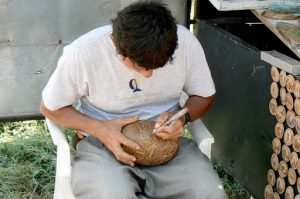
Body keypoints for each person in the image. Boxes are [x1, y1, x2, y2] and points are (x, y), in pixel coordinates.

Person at [40, 1, 227, 198]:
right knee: (111, 194)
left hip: (166, 143)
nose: (147, 76)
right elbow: (50, 107)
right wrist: (99, 129)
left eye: (157, 66)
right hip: (103, 145)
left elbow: (203, 95)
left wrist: (181, 119)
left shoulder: (185, 43)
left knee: (208, 193)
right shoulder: (83, 52)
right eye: (139, 66)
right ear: (116, 45)